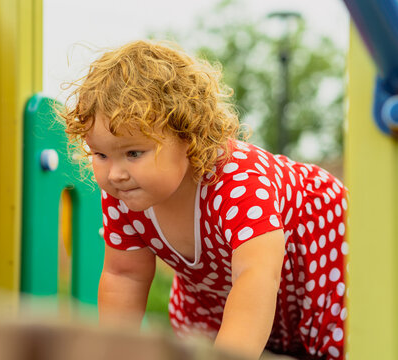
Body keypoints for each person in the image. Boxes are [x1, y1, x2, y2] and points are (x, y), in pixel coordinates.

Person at [61, 40, 347, 360]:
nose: (114, 173)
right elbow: (123, 274)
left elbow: (255, 276)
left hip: (317, 264)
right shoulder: (125, 194)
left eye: (133, 153)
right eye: (100, 154)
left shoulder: (238, 183)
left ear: (187, 135)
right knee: (197, 346)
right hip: (220, 293)